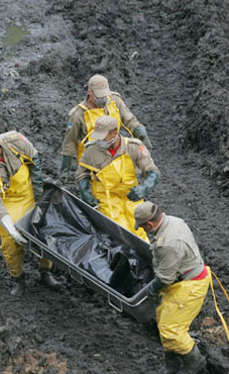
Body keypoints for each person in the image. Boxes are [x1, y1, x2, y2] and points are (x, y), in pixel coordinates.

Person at [0, 132, 61, 296]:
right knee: (9, 242)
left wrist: (38, 195)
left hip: (27, 194)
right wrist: (12, 230)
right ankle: (18, 278)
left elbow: (34, 160)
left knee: (43, 231)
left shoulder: (15, 142)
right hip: (7, 201)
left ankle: (45, 271)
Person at [134, 201, 210, 374]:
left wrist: (151, 290)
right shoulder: (174, 221)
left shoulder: (169, 243)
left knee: (172, 330)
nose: (143, 230)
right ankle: (172, 366)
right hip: (182, 278)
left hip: (190, 285)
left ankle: (195, 363)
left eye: (143, 227)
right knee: (164, 320)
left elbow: (165, 277)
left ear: (150, 224)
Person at [76, 116, 159, 240]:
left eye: (103, 136)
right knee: (116, 234)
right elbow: (82, 173)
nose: (99, 140)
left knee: (138, 232)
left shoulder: (133, 147)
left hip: (130, 196)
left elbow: (154, 172)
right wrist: (84, 191)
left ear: (114, 133)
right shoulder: (91, 150)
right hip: (105, 198)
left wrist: (144, 188)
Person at [60, 74, 153, 180]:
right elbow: (69, 143)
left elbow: (129, 120)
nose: (103, 99)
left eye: (105, 95)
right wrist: (65, 171)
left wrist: (139, 130)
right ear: (90, 92)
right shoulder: (77, 115)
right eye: (99, 96)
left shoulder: (114, 100)